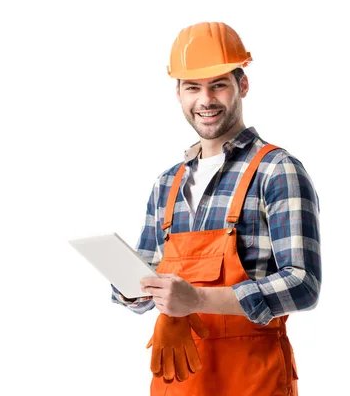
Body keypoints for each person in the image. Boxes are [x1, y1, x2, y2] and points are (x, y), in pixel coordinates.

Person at [110, 22, 321, 396]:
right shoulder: (167, 183)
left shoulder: (276, 170)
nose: (205, 100)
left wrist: (198, 300)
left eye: (218, 84)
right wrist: (130, 285)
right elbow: (145, 282)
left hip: (252, 379)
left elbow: (303, 284)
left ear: (242, 85)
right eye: (193, 87)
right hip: (176, 380)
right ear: (178, 93)